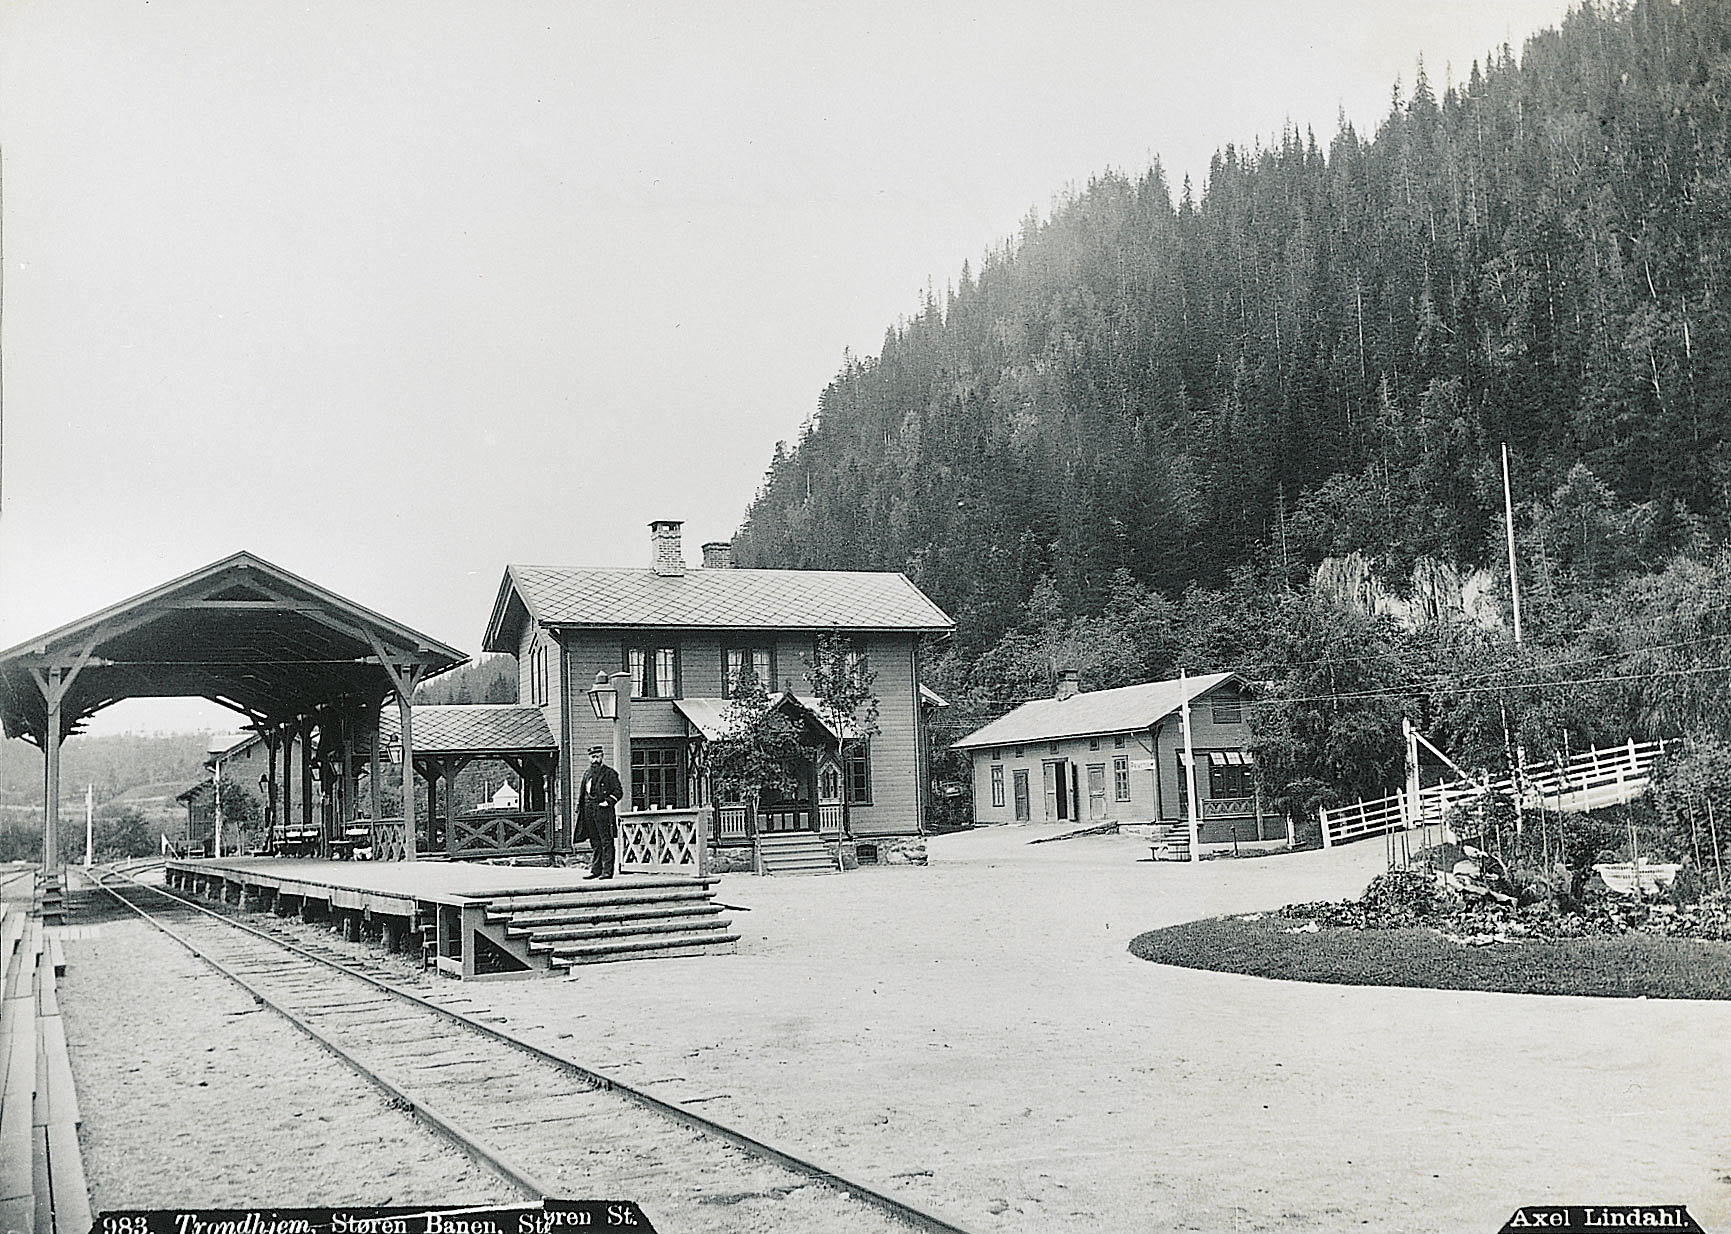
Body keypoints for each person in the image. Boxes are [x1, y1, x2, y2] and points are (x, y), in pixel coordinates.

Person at [576, 744, 624, 879]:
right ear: (589, 758)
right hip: (588, 811)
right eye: (592, 757)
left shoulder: (610, 773)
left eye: (597, 757)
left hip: (603, 811)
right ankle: (596, 869)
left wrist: (608, 802)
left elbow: (618, 792)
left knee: (606, 841)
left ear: (602, 757)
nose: (595, 760)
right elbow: (583, 793)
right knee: (595, 841)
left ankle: (607, 871)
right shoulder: (587, 773)